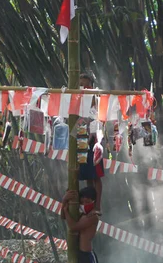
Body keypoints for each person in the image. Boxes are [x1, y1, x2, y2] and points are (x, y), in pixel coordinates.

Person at [79, 73, 104, 212]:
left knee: (96, 175)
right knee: (87, 175)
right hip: (81, 137)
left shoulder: (96, 97)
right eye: (80, 85)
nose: (83, 88)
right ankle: (88, 205)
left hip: (95, 139)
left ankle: (97, 205)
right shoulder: (78, 98)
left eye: (86, 85)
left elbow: (98, 118)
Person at [61, 187, 100, 263]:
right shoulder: (81, 214)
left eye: (87, 202)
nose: (84, 204)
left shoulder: (93, 216)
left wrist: (66, 211)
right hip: (80, 254)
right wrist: (64, 200)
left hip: (87, 255)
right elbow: (63, 217)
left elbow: (73, 227)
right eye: (82, 202)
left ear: (93, 201)